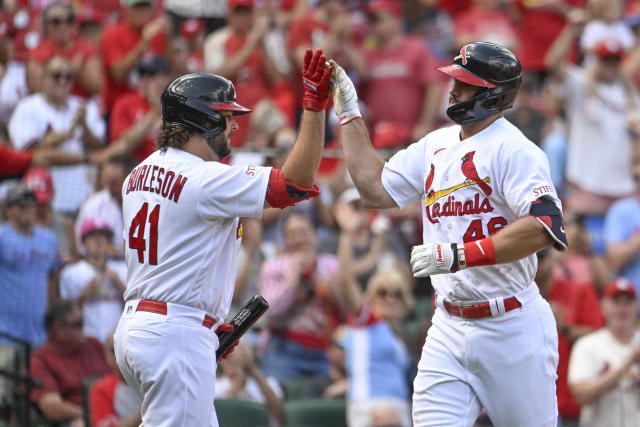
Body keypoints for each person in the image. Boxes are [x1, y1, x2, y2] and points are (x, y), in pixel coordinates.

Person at [328, 41, 568, 425]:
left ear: (493, 94)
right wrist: (350, 115)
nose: (453, 90)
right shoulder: (436, 143)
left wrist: (460, 255)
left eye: (466, 84)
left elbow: (544, 228)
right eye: (455, 80)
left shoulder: (516, 150)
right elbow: (374, 188)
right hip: (448, 324)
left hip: (510, 323)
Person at [113, 48, 333, 426]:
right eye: (227, 116)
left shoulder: (138, 174)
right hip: (174, 334)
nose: (234, 126)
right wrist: (313, 108)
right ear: (204, 119)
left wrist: (210, 321)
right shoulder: (204, 178)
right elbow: (296, 182)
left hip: (142, 327)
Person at [258, 213, 342, 382]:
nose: (298, 240)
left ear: (314, 234)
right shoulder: (272, 266)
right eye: (292, 234)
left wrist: (337, 295)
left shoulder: (332, 265)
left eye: (303, 232)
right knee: (277, 396)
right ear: (284, 239)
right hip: (284, 347)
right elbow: (271, 312)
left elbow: (350, 313)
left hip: (326, 350)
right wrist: (293, 277)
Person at [568, 278, 640, 426]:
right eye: (616, 302)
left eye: (627, 303)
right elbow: (580, 395)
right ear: (603, 307)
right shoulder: (587, 345)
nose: (622, 309)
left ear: (636, 308)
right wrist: (627, 363)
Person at [30, 299, 110, 426]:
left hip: (114, 409)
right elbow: (51, 406)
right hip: (79, 419)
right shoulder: (40, 361)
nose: (84, 327)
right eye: (78, 324)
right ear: (59, 330)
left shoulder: (93, 344)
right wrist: (91, 414)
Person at [0, 184, 58, 347]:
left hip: (39, 336)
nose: (28, 208)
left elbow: (52, 277)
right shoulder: (2, 237)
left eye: (31, 204)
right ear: (9, 209)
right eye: (21, 204)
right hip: (5, 336)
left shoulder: (49, 239)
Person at [60, 219, 127, 343]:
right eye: (93, 237)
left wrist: (119, 283)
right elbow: (63, 314)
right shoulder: (71, 273)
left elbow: (137, 305)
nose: (98, 242)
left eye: (103, 237)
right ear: (83, 242)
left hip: (118, 339)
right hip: (86, 338)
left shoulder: (123, 269)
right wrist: (84, 295)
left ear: (109, 242)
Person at [26, 1, 104, 97]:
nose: (62, 26)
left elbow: (98, 87)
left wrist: (80, 74)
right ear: (46, 26)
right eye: (56, 21)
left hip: (81, 104)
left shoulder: (87, 49)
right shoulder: (37, 53)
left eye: (68, 21)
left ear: (74, 24)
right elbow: (35, 90)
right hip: (47, 106)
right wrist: (69, 72)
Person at [216, 343, 283, 424]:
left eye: (240, 358)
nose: (233, 361)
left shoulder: (269, 383)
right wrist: (237, 383)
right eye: (229, 357)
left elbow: (279, 416)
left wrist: (253, 371)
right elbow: (226, 417)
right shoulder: (216, 386)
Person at [90, 333, 142, 427]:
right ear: (106, 355)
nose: (120, 355)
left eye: (125, 348)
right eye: (114, 350)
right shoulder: (101, 389)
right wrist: (145, 411)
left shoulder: (152, 378)